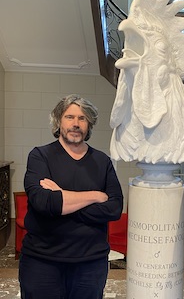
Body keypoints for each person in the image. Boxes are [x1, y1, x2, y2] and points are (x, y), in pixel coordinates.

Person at [19, 94, 123, 299]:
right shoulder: (40, 156)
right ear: (58, 121)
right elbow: (43, 203)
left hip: (90, 264)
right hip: (42, 262)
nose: (76, 123)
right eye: (69, 117)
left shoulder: (103, 162)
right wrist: (94, 195)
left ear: (89, 124)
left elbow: (114, 208)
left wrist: (62, 198)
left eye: (82, 118)